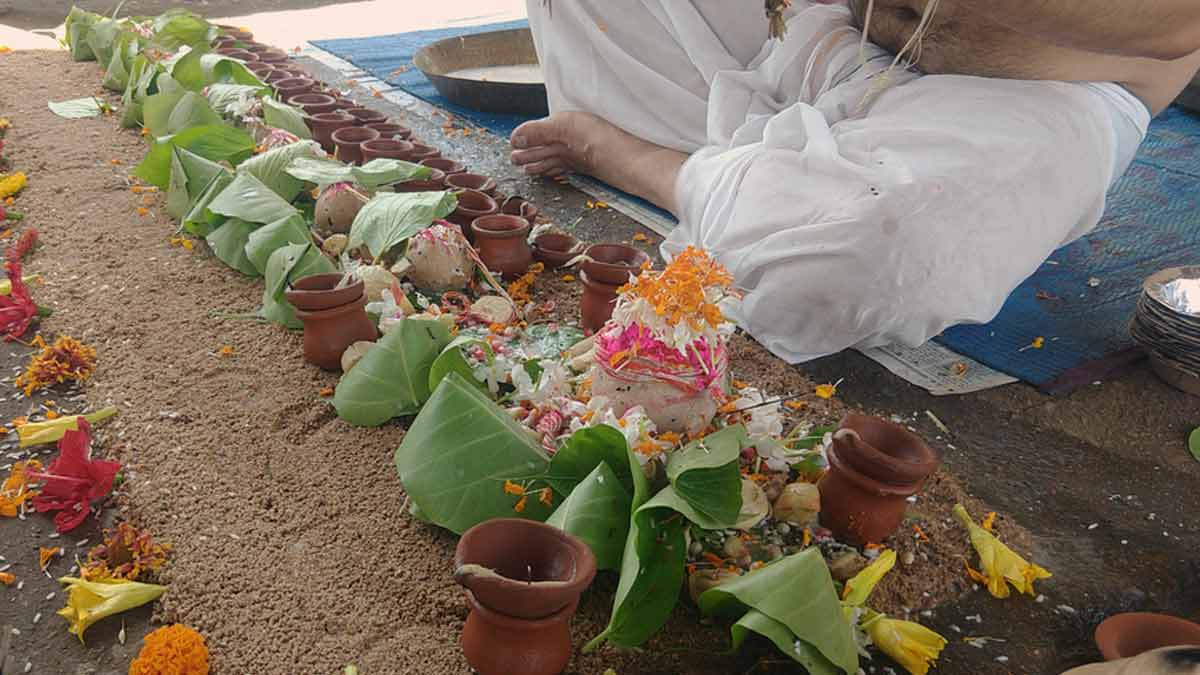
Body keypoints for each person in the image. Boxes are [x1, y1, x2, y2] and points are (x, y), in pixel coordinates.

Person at [510, 0, 1200, 362]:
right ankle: (765, 179)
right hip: (836, 38)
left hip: (1038, 98)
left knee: (872, 256)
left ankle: (645, 163)